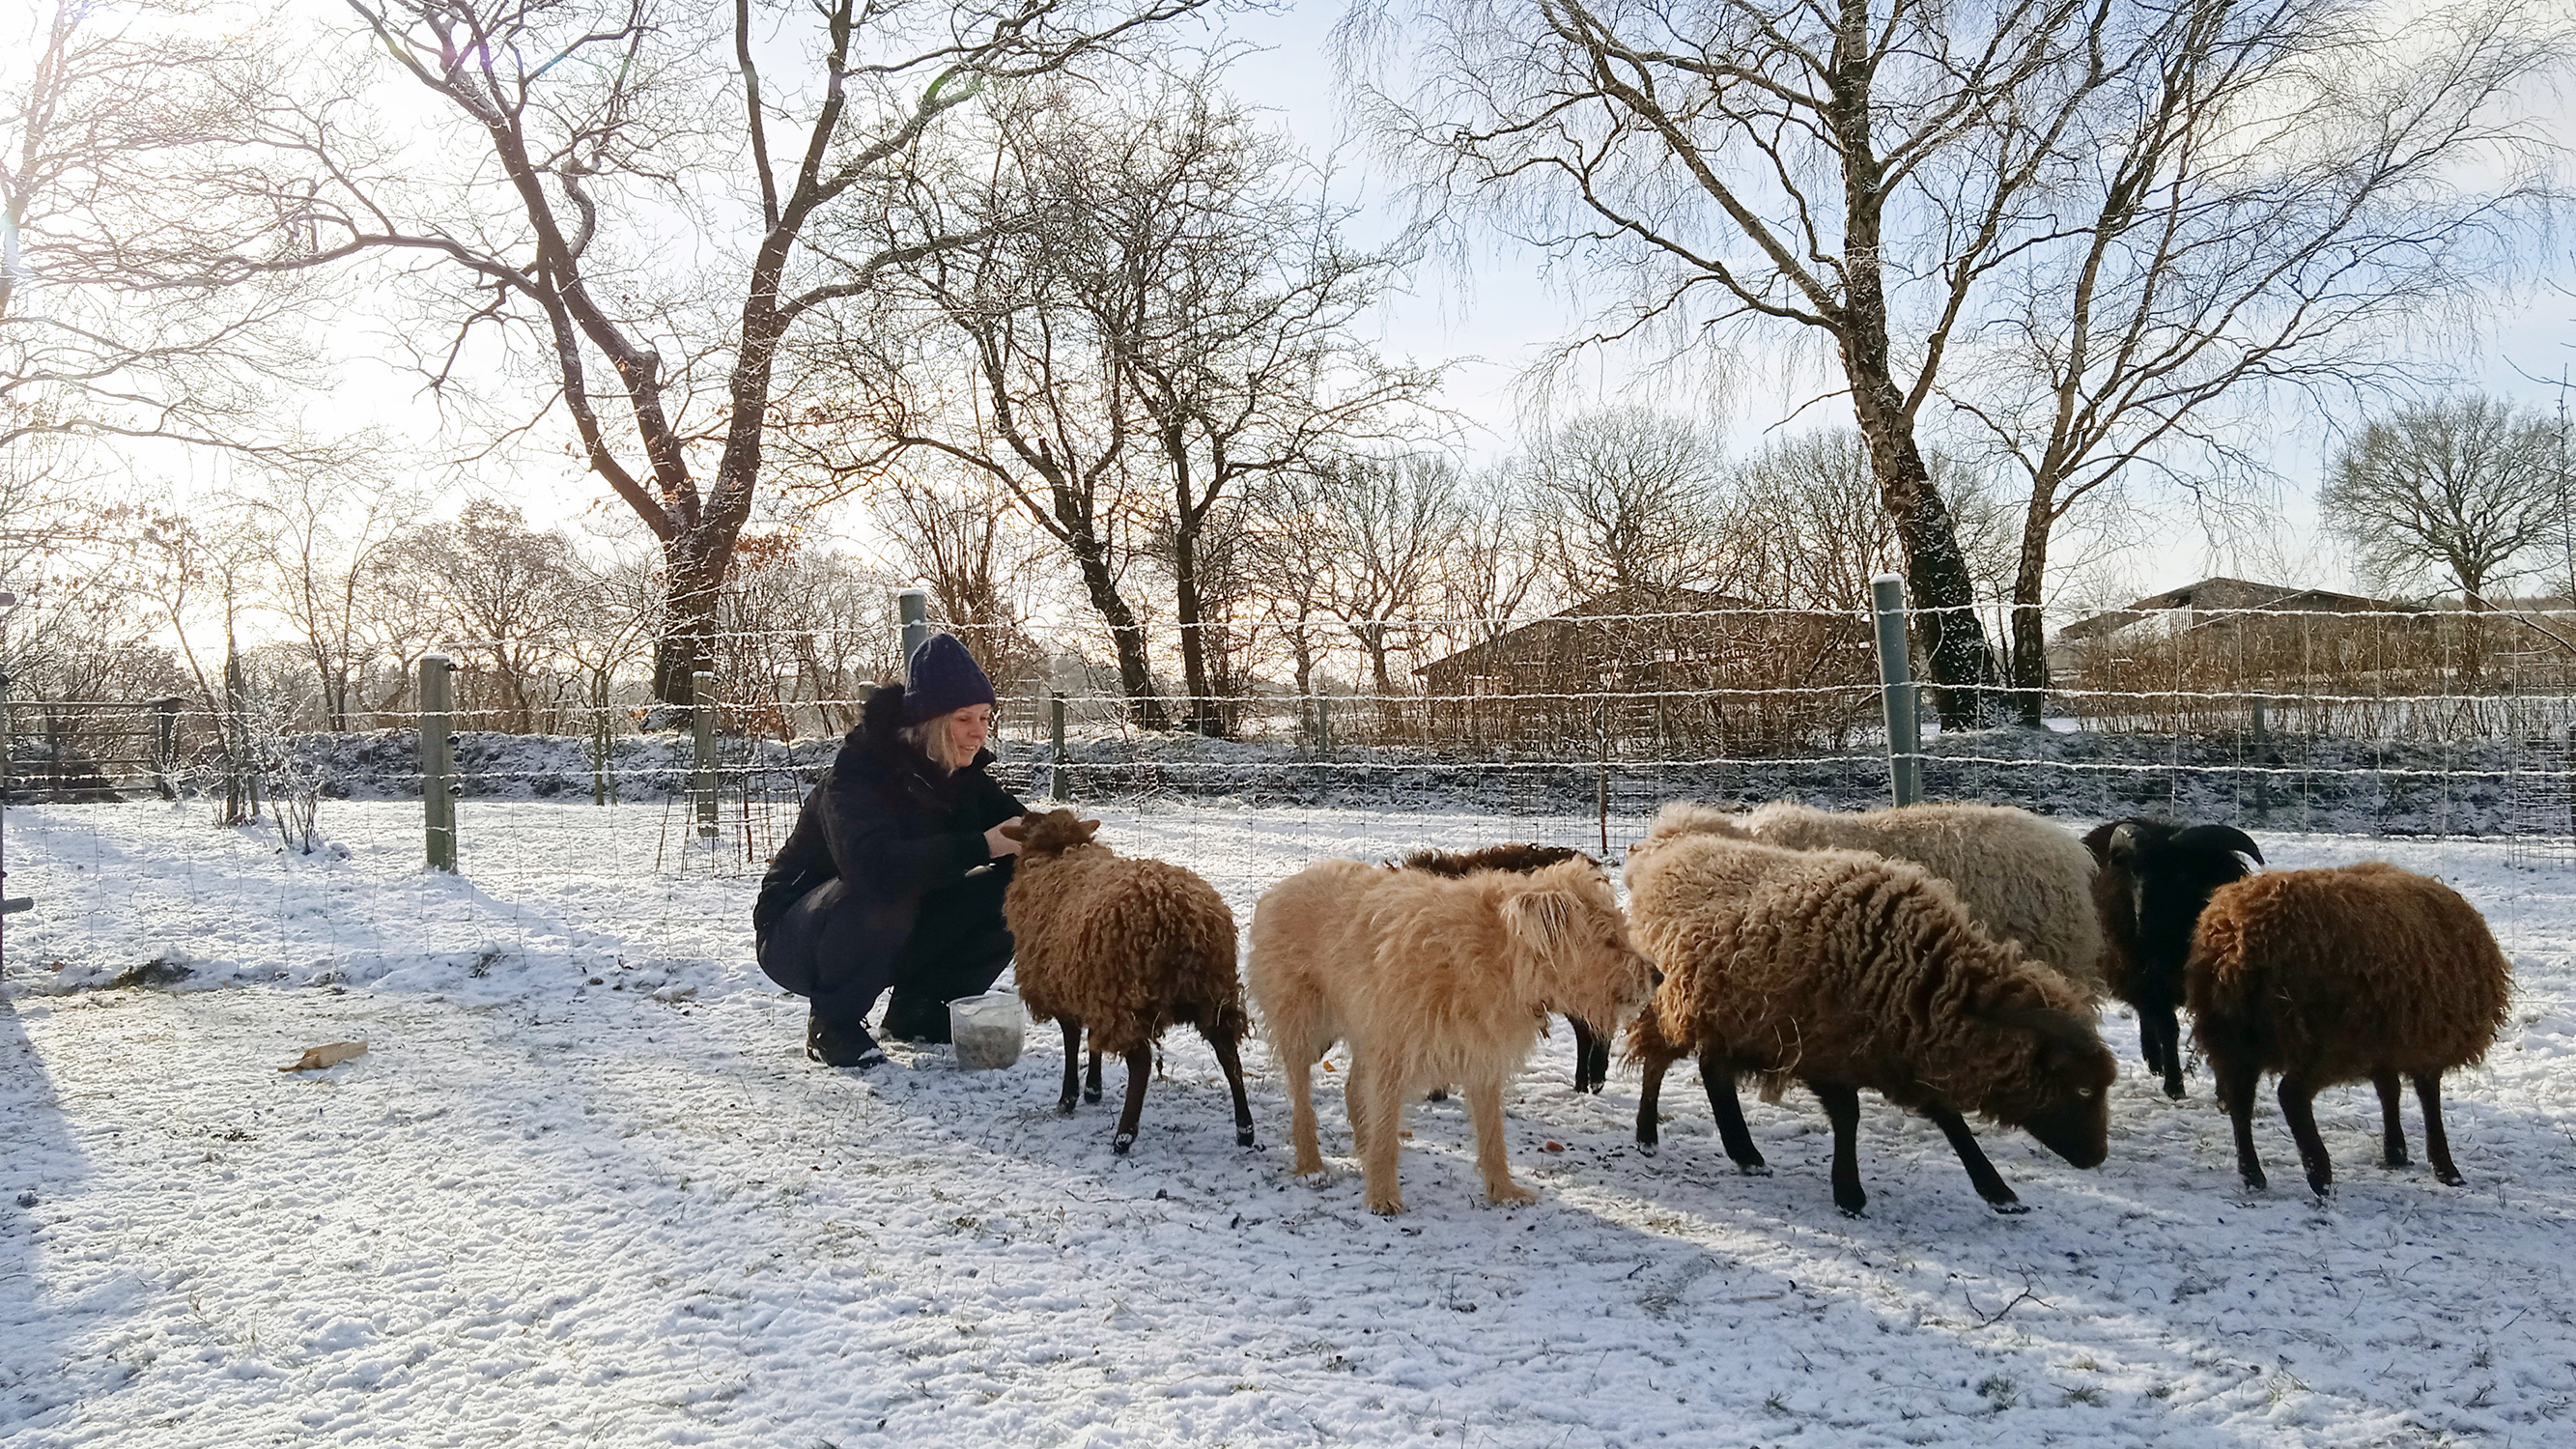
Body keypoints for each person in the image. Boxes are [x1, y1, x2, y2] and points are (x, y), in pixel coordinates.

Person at [753, 633, 1028, 1067]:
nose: (979, 732)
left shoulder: (964, 776)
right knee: (885, 887)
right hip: (798, 935)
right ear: (929, 721)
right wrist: (982, 845)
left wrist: (1069, 847)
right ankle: (832, 1025)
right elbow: (873, 869)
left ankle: (921, 1011)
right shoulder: (859, 772)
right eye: (964, 719)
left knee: (1018, 888)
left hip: (891, 923)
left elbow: (1023, 832)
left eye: (984, 717)